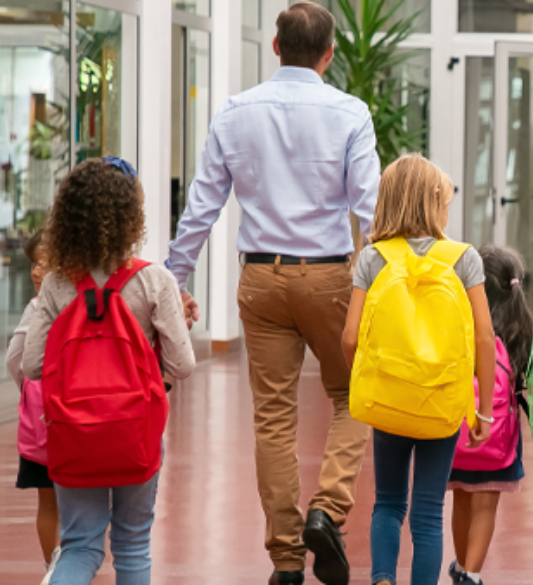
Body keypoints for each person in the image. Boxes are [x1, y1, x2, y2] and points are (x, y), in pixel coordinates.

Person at [163, 3, 380, 584]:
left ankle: (286, 561)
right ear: (330, 54)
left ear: (276, 47)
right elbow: (371, 213)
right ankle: (327, 510)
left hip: (260, 280)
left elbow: (201, 209)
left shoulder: (235, 113)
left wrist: (173, 281)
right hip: (332, 278)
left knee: (273, 419)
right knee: (355, 394)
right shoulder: (350, 112)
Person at [21, 157, 196, 585]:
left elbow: (33, 364)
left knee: (80, 546)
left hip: (75, 434)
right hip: (135, 432)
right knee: (133, 546)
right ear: (131, 218)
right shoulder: (154, 281)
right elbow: (183, 365)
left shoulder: (58, 284)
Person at [342, 153, 494, 585]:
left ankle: (383, 579)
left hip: (389, 395)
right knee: (428, 512)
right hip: (442, 400)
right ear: (433, 203)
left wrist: (371, 378)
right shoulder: (463, 259)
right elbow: (484, 337)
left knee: (388, 502)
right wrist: (482, 410)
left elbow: (350, 337)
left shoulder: (373, 259)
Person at [447, 244, 533, 585]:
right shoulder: (521, 328)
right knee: (486, 503)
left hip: (458, 434)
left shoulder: (460, 326)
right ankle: (472, 572)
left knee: (461, 501)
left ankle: (460, 565)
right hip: (498, 439)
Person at [8, 231, 60, 585]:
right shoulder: (86, 301)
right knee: (79, 501)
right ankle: (70, 561)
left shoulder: (36, 308)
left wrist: (28, 390)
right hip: (81, 418)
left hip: (43, 421)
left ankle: (53, 567)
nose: (38, 271)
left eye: (46, 263)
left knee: (48, 501)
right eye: (35, 263)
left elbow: (17, 359)